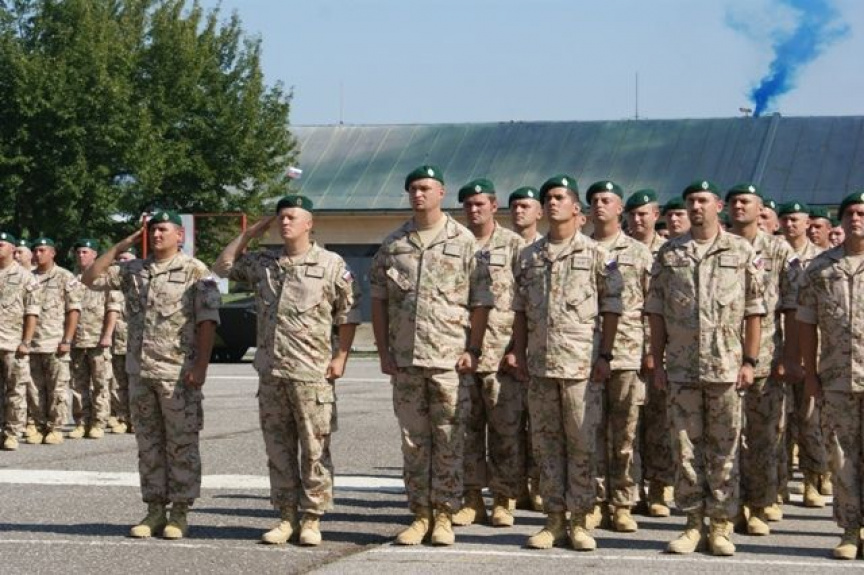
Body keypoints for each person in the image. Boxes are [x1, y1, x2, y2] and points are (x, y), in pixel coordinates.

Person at [213, 194, 360, 546]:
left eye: (292, 216)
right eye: (281, 217)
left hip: (312, 373)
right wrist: (250, 233)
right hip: (272, 372)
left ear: (309, 223)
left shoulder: (330, 263)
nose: (285, 221)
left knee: (314, 449)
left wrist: (341, 356)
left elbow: (348, 313)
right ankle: (285, 516)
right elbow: (222, 267)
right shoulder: (265, 262)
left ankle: (312, 518)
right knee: (278, 450)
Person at [370, 165, 492, 546]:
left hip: (448, 361)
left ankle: (444, 515)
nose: (418, 194)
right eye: (413, 189)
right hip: (407, 361)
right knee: (414, 442)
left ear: (442, 192)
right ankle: (420, 514)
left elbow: (482, 300)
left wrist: (473, 348)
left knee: (450, 439)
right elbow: (379, 301)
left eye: (425, 187)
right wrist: (384, 352)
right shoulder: (394, 245)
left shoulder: (464, 241)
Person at [82, 210, 220, 540]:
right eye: (152, 230)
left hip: (177, 373)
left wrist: (201, 366)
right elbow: (90, 278)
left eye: (163, 230)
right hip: (140, 371)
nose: (156, 235)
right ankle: (155, 508)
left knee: (182, 443)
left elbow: (208, 320)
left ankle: (180, 511)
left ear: (179, 235)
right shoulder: (133, 270)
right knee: (149, 444)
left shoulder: (194, 270)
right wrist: (121, 245)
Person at [646, 180, 765, 556]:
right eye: (690, 202)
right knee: (685, 449)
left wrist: (749, 361)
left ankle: (721, 525)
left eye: (702, 201)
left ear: (718, 206)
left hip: (726, 368)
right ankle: (693, 524)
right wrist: (658, 361)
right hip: (682, 369)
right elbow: (656, 312)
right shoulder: (669, 253)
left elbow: (754, 311)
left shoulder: (740, 250)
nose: (696, 207)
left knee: (725, 449)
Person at [507, 174, 622, 551]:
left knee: (582, 444)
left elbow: (612, 309)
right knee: (546, 445)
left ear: (576, 207)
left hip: (580, 367)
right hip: (541, 366)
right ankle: (553, 519)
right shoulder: (529, 256)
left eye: (559, 197)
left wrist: (605, 355)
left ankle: (581, 519)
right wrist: (520, 352)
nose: (552, 203)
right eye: (548, 199)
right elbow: (520, 311)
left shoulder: (597, 255)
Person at [451, 179, 525, 529]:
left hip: (500, 355)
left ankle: (504, 499)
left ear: (494, 206)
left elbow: (526, 302)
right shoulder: (454, 244)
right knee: (466, 432)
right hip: (459, 355)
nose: (473, 209)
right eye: (468, 204)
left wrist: (518, 349)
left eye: (480, 203)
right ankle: (472, 500)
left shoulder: (514, 245)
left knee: (505, 431)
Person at [725, 184, 797, 535]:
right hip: (722, 359)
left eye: (746, 202)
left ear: (760, 208)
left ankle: (759, 505)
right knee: (726, 439)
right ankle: (730, 506)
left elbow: (792, 308)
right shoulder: (720, 246)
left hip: (766, 359)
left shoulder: (778, 250)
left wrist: (790, 356)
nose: (739, 207)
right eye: (734, 202)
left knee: (763, 438)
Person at [798, 191, 864, 560]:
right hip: (836, 378)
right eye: (850, 213)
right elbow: (807, 324)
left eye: (862, 213)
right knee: (841, 457)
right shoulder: (821, 268)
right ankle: (850, 530)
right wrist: (810, 373)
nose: (856, 219)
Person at [588, 181, 653, 533]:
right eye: (595, 200)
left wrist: (651, 351)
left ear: (620, 208)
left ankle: (624, 503)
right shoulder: (581, 248)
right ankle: (597, 501)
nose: (600, 205)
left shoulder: (639, 253)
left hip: (628, 355)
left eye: (606, 200)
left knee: (625, 435)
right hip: (584, 354)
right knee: (591, 432)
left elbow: (652, 307)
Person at [625, 189, 674, 517]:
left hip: (657, 352)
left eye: (643, 213)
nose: (637, 219)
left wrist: (654, 351)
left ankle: (658, 488)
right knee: (628, 427)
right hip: (624, 351)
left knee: (658, 425)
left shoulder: (667, 252)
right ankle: (630, 490)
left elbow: (664, 307)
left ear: (656, 215)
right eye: (633, 214)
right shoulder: (617, 250)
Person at [778, 201, 828, 507]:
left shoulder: (821, 260)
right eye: (784, 219)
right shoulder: (771, 255)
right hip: (776, 349)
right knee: (777, 423)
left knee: (810, 421)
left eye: (794, 219)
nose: (789, 224)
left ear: (807, 222)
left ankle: (812, 479)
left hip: (812, 350)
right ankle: (778, 483)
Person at [28, 237, 82, 445]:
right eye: (35, 250)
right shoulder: (29, 277)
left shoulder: (64, 277)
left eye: (42, 250)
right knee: (34, 389)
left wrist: (67, 339)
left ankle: (55, 427)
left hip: (55, 342)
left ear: (53, 253)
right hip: (32, 344)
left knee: (57, 388)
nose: (38, 254)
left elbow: (73, 310)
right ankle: (39, 425)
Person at [69, 239, 122, 440]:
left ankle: (99, 422)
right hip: (77, 341)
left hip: (98, 340)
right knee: (77, 385)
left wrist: (107, 335)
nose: (80, 255)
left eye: (85, 252)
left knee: (100, 384)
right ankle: (81, 422)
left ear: (94, 255)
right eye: (78, 252)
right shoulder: (72, 279)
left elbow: (113, 309)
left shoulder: (106, 279)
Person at [0, 232, 39, 451]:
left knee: (15, 390)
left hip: (12, 344)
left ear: (13, 249)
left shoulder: (25, 277)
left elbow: (31, 312)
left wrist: (26, 341)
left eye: (1, 244)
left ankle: (12, 432)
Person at [108, 246, 137, 434]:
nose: (123, 263)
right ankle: (121, 417)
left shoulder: (142, 284)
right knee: (117, 383)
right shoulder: (112, 286)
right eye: (120, 259)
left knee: (136, 383)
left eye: (127, 259)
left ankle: (135, 419)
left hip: (137, 342)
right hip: (116, 342)